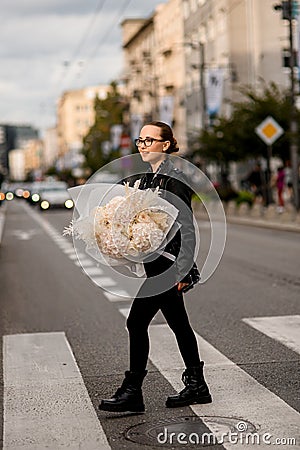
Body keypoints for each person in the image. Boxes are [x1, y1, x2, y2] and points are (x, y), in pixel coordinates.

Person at [99, 121, 212, 413]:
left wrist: (184, 270)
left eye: (150, 140)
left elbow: (187, 228)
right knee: (179, 324)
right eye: (140, 140)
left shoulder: (174, 178)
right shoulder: (148, 180)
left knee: (136, 322)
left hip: (168, 266)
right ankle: (197, 385)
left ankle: (133, 391)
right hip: (155, 264)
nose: (143, 145)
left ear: (166, 144)